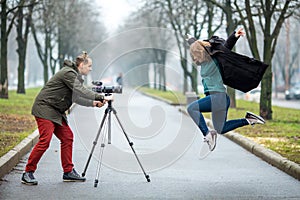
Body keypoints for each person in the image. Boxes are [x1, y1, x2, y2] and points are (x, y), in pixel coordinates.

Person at [21, 51, 110, 185]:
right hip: (45, 108)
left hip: (56, 111)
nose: (91, 69)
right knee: (45, 140)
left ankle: (68, 172)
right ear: (81, 65)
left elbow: (76, 97)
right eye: (89, 66)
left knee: (67, 137)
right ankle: (28, 172)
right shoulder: (68, 73)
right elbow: (81, 90)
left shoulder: (75, 76)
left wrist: (93, 103)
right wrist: (101, 96)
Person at [186, 28, 266, 154]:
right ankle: (249, 120)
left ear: (200, 53)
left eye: (195, 56)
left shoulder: (214, 59)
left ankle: (207, 134)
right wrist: (191, 40)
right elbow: (198, 45)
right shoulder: (204, 63)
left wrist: (234, 36)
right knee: (221, 128)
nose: (194, 59)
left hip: (218, 98)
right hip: (220, 99)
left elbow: (225, 48)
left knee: (192, 108)